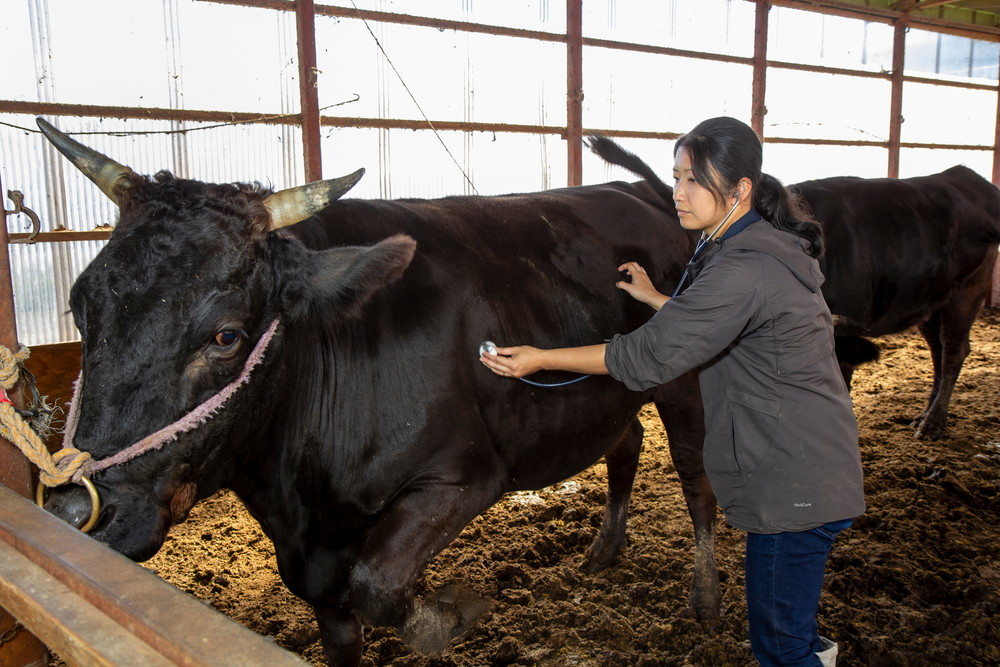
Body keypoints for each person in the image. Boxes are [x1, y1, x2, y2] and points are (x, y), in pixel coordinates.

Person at [480, 116, 865, 667]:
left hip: (794, 482)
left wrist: (540, 358)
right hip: (810, 460)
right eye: (676, 177)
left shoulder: (744, 267)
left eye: (692, 181)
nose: (677, 193)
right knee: (794, 630)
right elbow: (725, 321)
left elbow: (644, 356)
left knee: (779, 647)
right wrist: (660, 297)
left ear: (739, 191)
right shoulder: (761, 245)